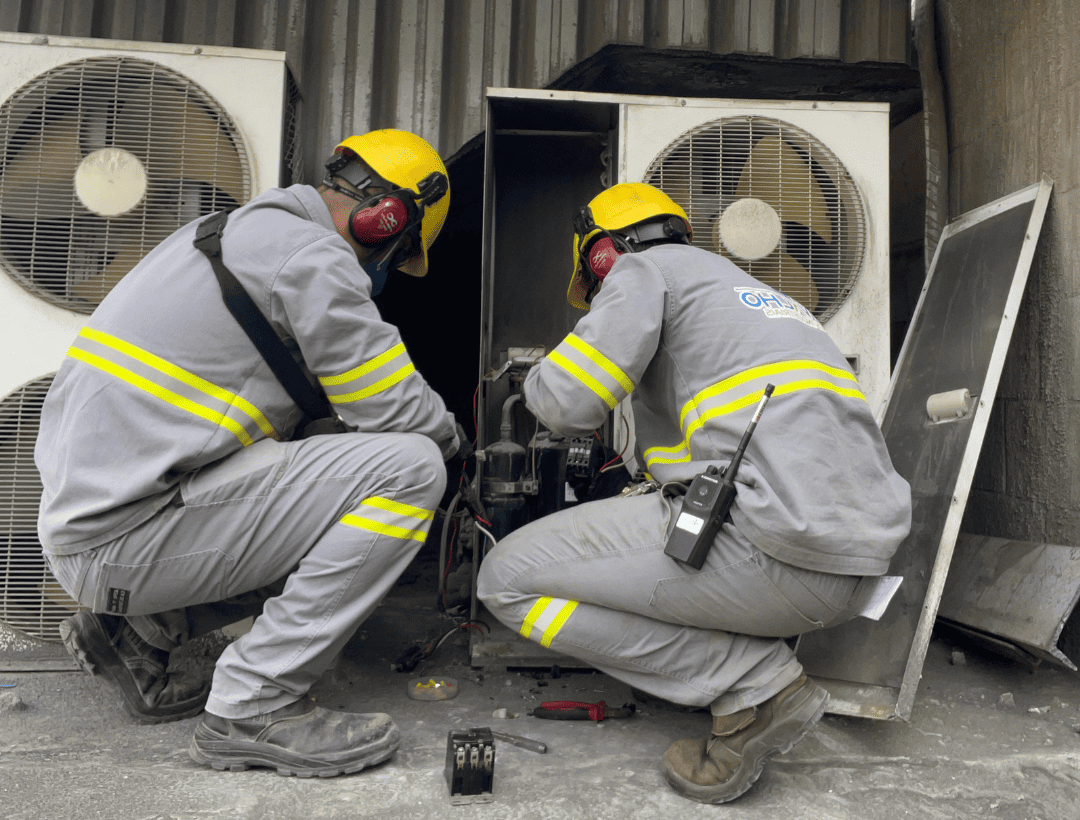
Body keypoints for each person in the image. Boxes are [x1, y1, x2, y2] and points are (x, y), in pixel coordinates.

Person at [35, 129, 463, 777]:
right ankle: (255, 705)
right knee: (411, 468)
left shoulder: (224, 232)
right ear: (388, 218)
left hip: (98, 531)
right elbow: (396, 410)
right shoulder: (310, 257)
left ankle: (138, 633)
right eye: (397, 251)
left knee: (328, 452)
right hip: (120, 546)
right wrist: (461, 443)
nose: (386, 273)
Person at [476, 182, 912, 804]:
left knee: (505, 580)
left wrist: (548, 367)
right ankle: (750, 672)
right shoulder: (767, 299)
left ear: (602, 257)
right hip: (849, 573)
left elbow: (565, 403)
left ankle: (753, 688)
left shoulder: (642, 272)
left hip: (772, 553)